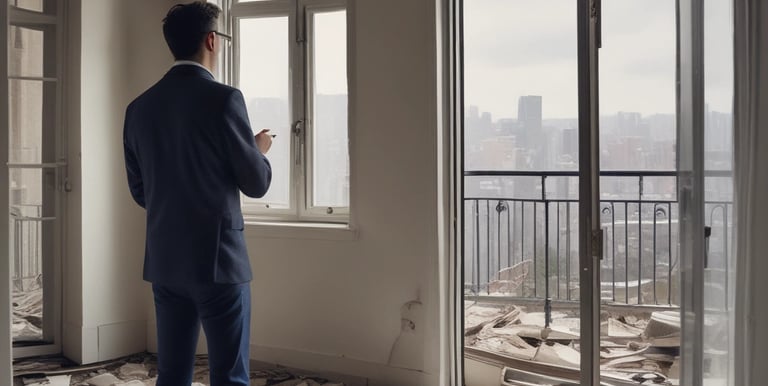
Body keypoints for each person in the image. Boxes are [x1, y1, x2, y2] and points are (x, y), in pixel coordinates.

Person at [123, 3, 272, 385]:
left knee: (172, 376)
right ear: (211, 40)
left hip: (166, 262)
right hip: (218, 263)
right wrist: (258, 149)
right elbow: (256, 184)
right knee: (230, 376)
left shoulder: (138, 109)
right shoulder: (224, 99)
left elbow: (142, 191)